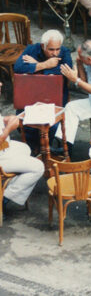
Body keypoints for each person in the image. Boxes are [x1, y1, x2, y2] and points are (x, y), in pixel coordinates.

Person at [13, 29, 72, 154]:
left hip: (55, 96)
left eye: (57, 49)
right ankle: (34, 145)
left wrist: (36, 66)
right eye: (51, 49)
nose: (55, 53)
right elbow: (18, 68)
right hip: (32, 94)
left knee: (52, 123)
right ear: (42, 46)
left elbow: (64, 71)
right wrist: (45, 65)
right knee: (22, 117)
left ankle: (46, 146)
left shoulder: (65, 52)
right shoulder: (31, 49)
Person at [0, 84, 44, 218]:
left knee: (25, 149)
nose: (1, 84)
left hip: (4, 148)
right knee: (38, 167)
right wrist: (8, 129)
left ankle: (12, 185)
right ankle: (4, 199)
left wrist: (6, 120)